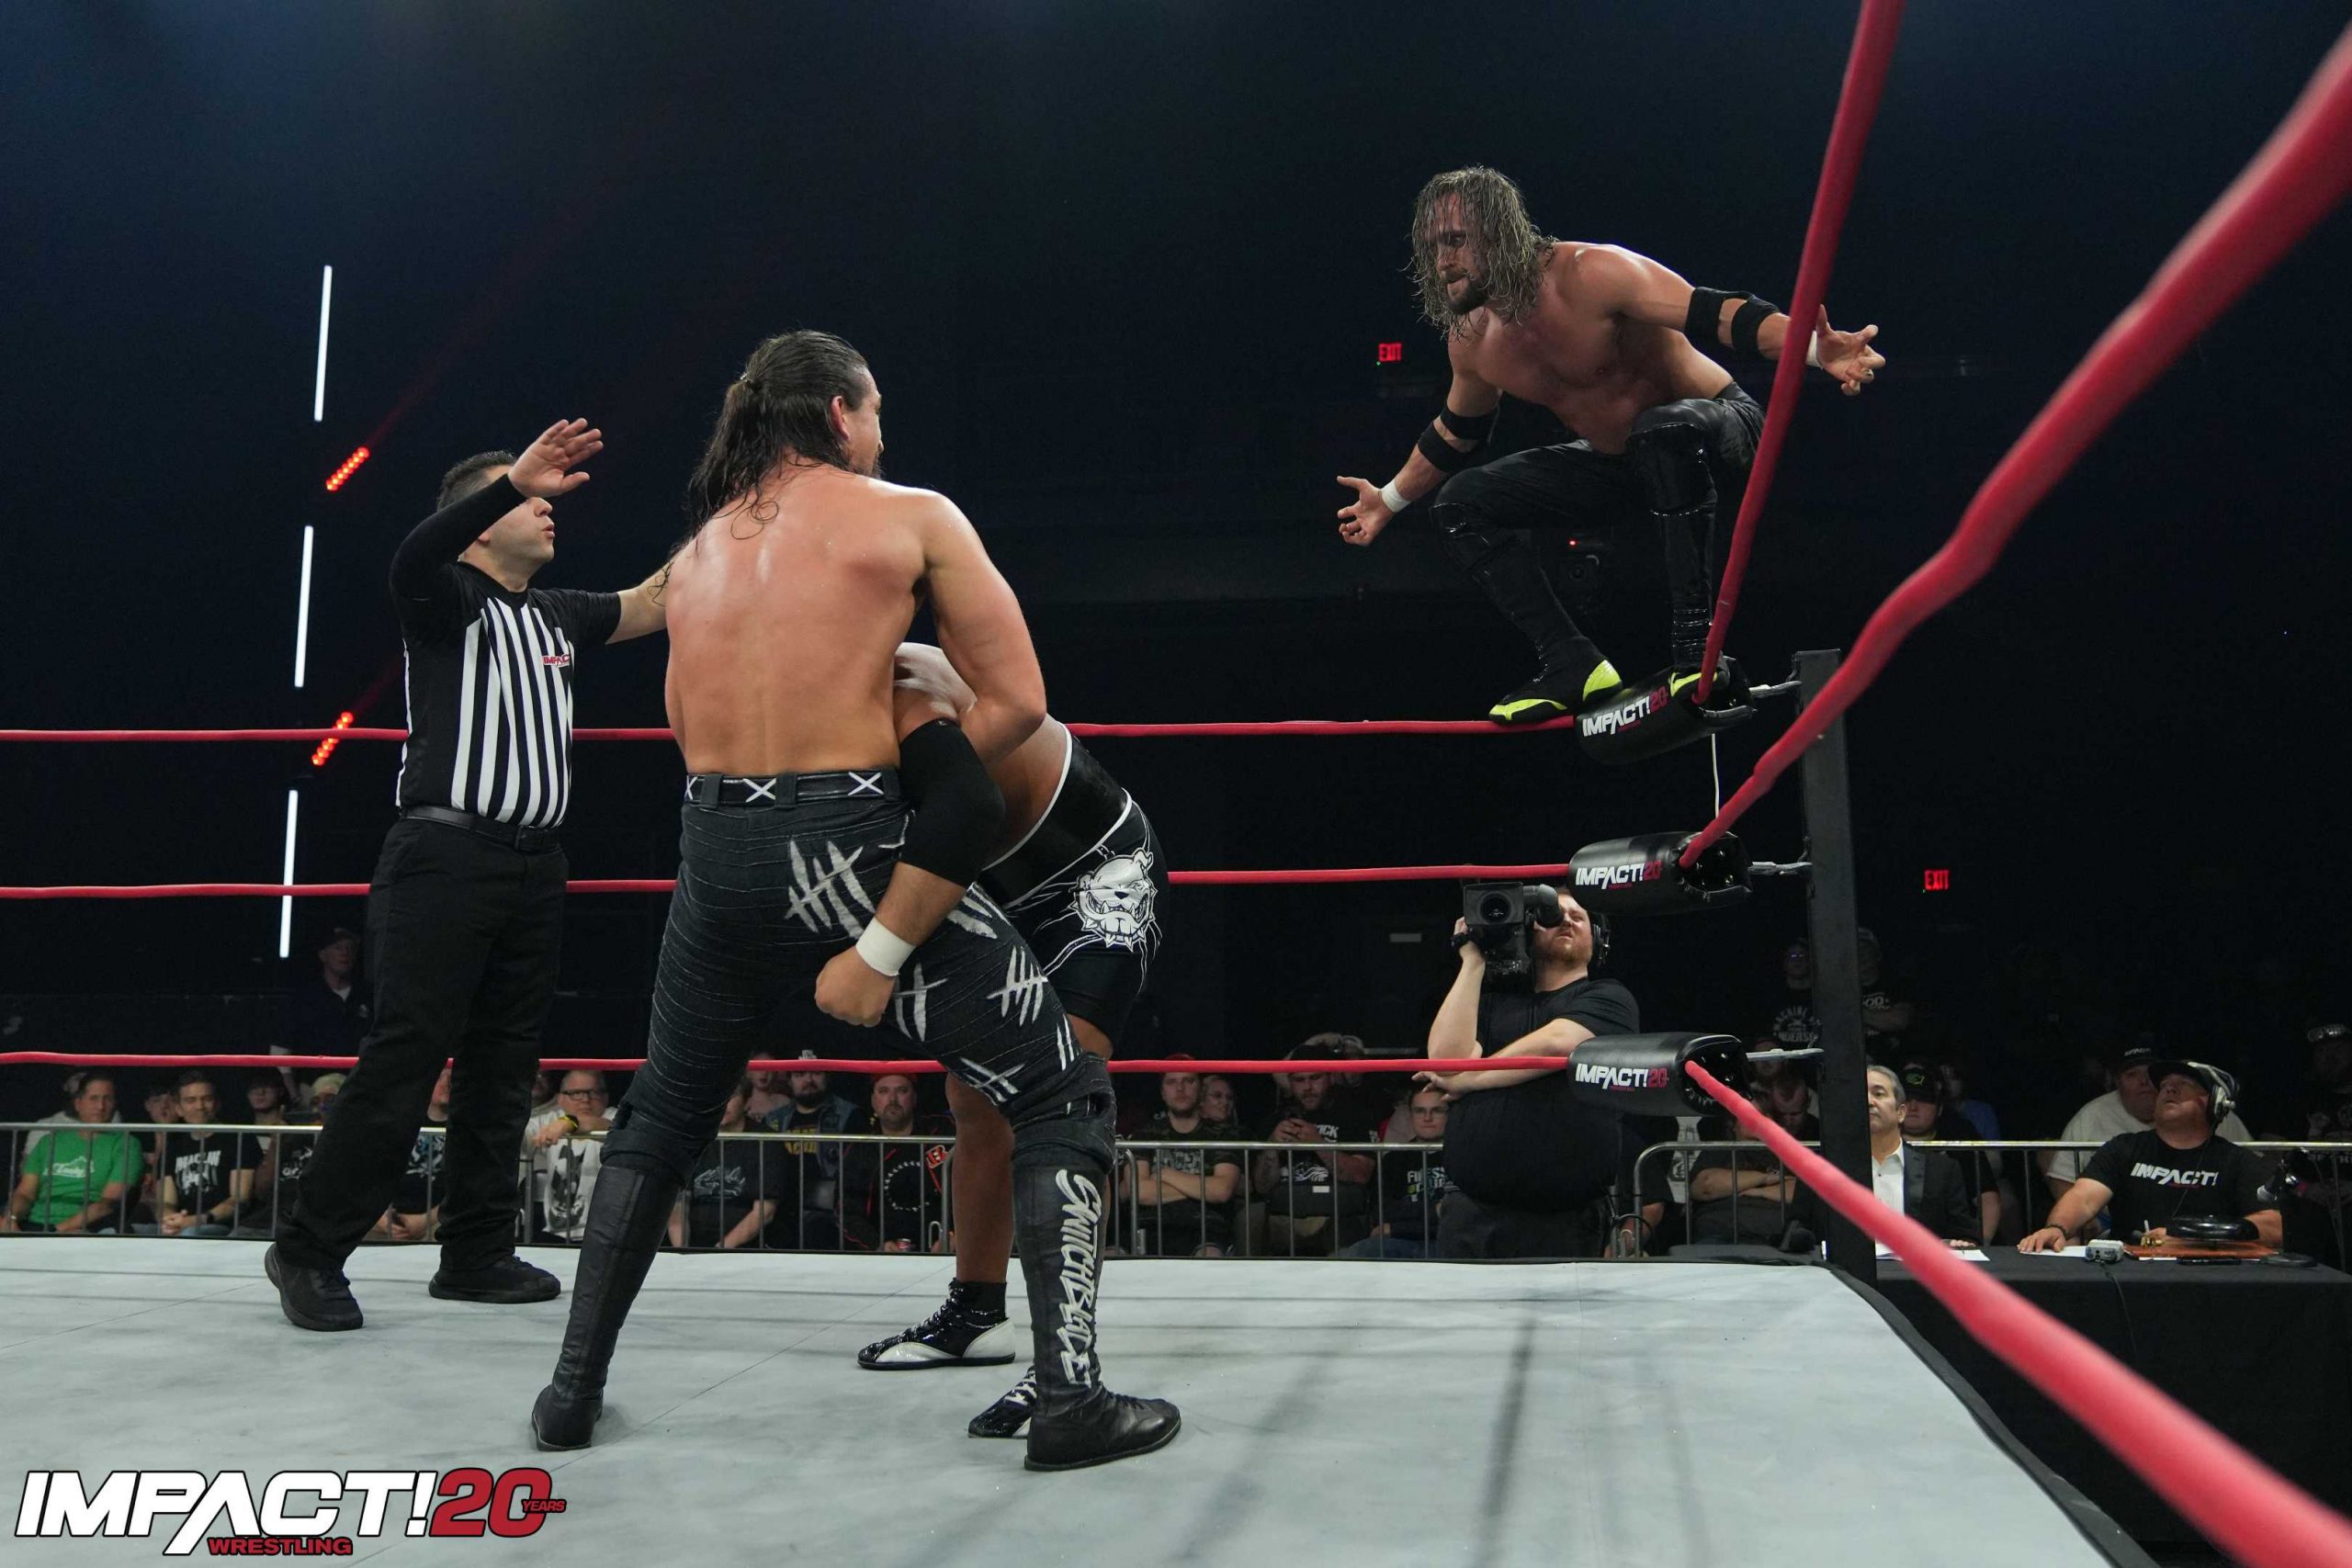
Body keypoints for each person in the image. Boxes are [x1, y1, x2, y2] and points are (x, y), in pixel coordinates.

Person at [532, 331, 1174, 1469]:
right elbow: (1019, 705)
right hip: (849, 840)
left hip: (714, 844)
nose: (881, 433)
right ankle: (1071, 1398)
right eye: (873, 411)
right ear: (838, 412)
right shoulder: (911, 515)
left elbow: (639, 656)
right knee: (1060, 1090)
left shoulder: (702, 548)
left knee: (662, 1115)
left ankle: (570, 1392)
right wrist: (909, 785)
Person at [268, 420, 671, 1333]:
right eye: (527, 499)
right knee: (406, 1058)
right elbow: (410, 554)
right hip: (443, 857)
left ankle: (476, 1251)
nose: (549, 507)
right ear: (482, 521)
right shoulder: (444, 596)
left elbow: (653, 600)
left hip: (535, 864)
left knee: (505, 1064)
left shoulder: (557, 613)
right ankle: (308, 1249)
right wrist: (511, 478)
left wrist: (747, 508)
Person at [1335, 166, 1883, 723]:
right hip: (1623, 464)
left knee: (1663, 430)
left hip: (1720, 433)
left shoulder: (1590, 273)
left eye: (1455, 239)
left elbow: (1715, 313)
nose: (1443, 259)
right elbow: (1458, 432)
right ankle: (1572, 662)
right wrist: (1389, 500)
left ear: (1499, 231)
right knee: (1460, 502)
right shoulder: (1473, 340)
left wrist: (1814, 350)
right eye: (1433, 246)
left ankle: (1695, 653)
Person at [854, 644, 1166, 1392]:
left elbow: (962, 806)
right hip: (988, 888)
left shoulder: (908, 684)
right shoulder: (802, 711)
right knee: (971, 1096)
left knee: (1058, 1101)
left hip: (1094, 874)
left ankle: (1063, 1359)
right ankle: (976, 1312)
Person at [1419, 894, 1649, 1258]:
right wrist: (1473, 961)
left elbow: (1557, 1044)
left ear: (1597, 939)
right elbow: (1448, 1061)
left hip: (1563, 1217)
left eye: (1579, 916)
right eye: (1552, 915)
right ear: (1528, 932)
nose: (1567, 920)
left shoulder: (1608, 997)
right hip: (1471, 1213)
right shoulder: (1491, 1003)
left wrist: (1468, 1080)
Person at [2022, 1062, 2281, 1251]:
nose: (2169, 1090)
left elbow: (2272, 1225)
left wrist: (2191, 1239)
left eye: (2185, 1084)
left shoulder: (2237, 1161)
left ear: (2215, 1103)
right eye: (2165, 1085)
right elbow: (2084, 1197)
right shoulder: (2124, 1148)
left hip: (2211, 1276)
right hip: (2130, 1272)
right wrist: (2057, 1227)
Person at [2043, 1043, 2253, 1198]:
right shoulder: (2113, 1138)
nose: (2144, 1082)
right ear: (2117, 1083)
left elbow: (2257, 1182)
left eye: (2150, 1076)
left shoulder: (2218, 1121)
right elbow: (2068, 1183)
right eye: (2132, 1075)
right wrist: (2066, 1225)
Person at [1250, 1040, 1380, 1257]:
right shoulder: (1275, 1120)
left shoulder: (1354, 1116)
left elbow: (1361, 1176)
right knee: (1252, 1217)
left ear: (1330, 1077)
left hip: (1337, 1214)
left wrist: (1318, 1143)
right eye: (1299, 1080)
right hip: (1286, 1215)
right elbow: (1262, 1187)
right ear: (1290, 1083)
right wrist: (1272, 1146)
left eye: (1315, 1078)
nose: (1308, 1088)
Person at [1119, 1066, 1243, 1258]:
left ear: (1200, 1089)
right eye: (1172, 1082)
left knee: (1210, 1256)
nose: (1180, 1088)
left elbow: (1221, 1191)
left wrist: (1164, 1174)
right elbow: (1139, 1192)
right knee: (1113, 1257)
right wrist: (1201, 1187)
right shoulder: (1144, 1134)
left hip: (1204, 1229)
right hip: (1149, 1226)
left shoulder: (1223, 1134)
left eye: (1188, 1081)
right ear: (1162, 1092)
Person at [1852, 1064, 1981, 1248]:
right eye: (1861, 1095)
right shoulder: (1829, 1167)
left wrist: (1958, 1244)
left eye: (1878, 1094)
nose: (1869, 1102)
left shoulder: (1941, 1170)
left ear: (1901, 1112)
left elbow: (1966, 1237)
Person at [3, 1074, 141, 1235]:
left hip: (88, 1228)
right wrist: (10, 1219)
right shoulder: (49, 1141)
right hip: (34, 1225)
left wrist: (57, 1231)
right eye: (94, 1099)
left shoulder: (127, 1144)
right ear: (78, 1104)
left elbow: (106, 1204)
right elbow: (25, 1193)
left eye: (107, 1099)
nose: (101, 1106)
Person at [671, 1077, 795, 1251]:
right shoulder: (692, 1140)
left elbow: (765, 1211)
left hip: (747, 1249)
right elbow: (678, 1206)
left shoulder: (767, 1141)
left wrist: (720, 1250)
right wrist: (682, 1251)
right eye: (715, 1096)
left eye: (730, 1096)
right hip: (695, 1246)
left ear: (747, 1102)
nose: (721, 1103)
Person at [839, 1074, 954, 1254]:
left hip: (947, 1248)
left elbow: (975, 1190)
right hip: (884, 1253)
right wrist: (877, 1245)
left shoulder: (941, 1131)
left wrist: (957, 1235)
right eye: (884, 1091)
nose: (892, 1099)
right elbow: (847, 1211)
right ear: (873, 1100)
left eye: (902, 1091)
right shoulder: (861, 1149)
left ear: (914, 1098)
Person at [1341, 1088, 1456, 1258]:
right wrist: (1435, 1210)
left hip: (1449, 1241)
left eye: (1437, 1111)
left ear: (1450, 1114)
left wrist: (1397, 1227)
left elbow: (1459, 1215)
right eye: (1419, 1111)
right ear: (1410, 1116)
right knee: (1361, 1251)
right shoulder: (1394, 1159)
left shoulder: (1462, 1155)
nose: (1427, 1118)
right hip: (1402, 1242)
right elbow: (1383, 1211)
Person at [1896, 1064, 2000, 1245]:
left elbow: (1987, 1196)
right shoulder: (1877, 1136)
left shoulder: (1960, 1133)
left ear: (1939, 1108)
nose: (1913, 1107)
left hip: (1950, 1242)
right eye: (1906, 1100)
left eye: (1923, 1099)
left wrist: (1980, 1245)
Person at [150, 1073, 259, 1238]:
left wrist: (196, 1220)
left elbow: (239, 1199)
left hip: (221, 1226)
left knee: (189, 1234)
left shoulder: (239, 1138)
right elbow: (166, 1201)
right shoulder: (173, 1145)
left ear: (217, 1103)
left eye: (206, 1099)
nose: (200, 1106)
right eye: (191, 1100)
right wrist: (170, 1220)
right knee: (124, 1232)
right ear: (178, 1108)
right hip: (180, 1225)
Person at [275, 926, 370, 1099]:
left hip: (360, 1090)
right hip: (312, 1090)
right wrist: (295, 1096)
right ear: (323, 955)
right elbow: (280, 1051)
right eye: (338, 947)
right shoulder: (303, 998)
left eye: (350, 948)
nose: (345, 953)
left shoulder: (368, 995)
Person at [525, 1071, 613, 1245]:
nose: (585, 1099)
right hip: (556, 1232)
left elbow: (610, 1126)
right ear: (560, 1099)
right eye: (576, 1093)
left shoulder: (613, 1116)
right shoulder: (550, 1120)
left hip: (603, 1234)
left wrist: (569, 1122)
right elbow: (517, 1135)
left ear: (605, 1097)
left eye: (593, 1092)